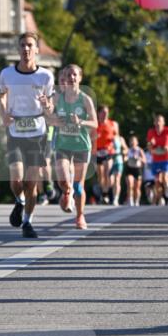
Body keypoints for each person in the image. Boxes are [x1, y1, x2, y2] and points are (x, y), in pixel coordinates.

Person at [0, 32, 54, 239]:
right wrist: (4, 114)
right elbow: (1, 97)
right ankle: (19, 201)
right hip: (14, 130)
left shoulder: (46, 76)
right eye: (22, 45)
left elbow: (50, 106)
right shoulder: (7, 74)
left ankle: (28, 222)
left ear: (37, 49)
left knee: (31, 183)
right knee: (16, 181)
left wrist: (47, 105)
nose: (26, 49)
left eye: (30, 45)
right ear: (18, 49)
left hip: (37, 132)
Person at [45, 64, 97, 230]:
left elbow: (95, 123)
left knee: (78, 186)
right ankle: (66, 193)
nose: (71, 78)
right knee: (62, 179)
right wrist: (52, 118)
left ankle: (80, 216)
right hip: (63, 145)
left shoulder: (85, 99)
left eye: (74, 75)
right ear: (64, 78)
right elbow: (48, 117)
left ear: (80, 78)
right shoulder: (58, 98)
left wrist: (80, 122)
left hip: (81, 146)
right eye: (68, 75)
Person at [94, 106, 119, 203]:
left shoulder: (112, 124)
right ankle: (104, 193)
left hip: (108, 152)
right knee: (100, 176)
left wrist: (115, 144)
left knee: (107, 172)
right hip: (97, 152)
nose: (105, 114)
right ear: (98, 113)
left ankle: (106, 193)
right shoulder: (94, 124)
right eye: (103, 112)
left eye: (106, 112)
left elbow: (116, 137)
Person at [146, 113, 168, 206]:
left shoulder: (167, 131)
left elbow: (166, 148)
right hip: (155, 160)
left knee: (164, 178)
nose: (158, 123)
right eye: (156, 121)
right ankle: (161, 198)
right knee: (157, 181)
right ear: (154, 123)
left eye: (160, 121)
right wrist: (150, 144)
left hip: (166, 159)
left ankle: (167, 191)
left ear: (163, 122)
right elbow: (149, 148)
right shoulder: (151, 132)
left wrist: (159, 149)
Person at [125, 134, 144, 206]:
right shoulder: (128, 150)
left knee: (137, 187)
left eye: (134, 141)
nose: (132, 143)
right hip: (130, 169)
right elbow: (125, 158)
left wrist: (139, 158)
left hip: (137, 169)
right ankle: (130, 199)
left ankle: (137, 200)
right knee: (130, 184)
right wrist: (126, 158)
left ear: (137, 142)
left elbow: (144, 160)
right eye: (131, 141)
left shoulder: (140, 150)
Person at [109, 131, 127, 206]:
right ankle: (112, 195)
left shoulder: (120, 139)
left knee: (117, 180)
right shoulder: (108, 137)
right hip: (110, 162)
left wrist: (123, 153)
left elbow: (126, 149)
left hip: (119, 161)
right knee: (111, 181)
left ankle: (116, 198)